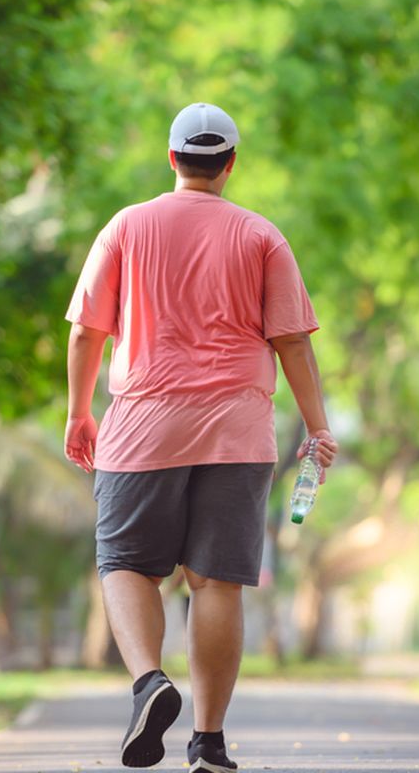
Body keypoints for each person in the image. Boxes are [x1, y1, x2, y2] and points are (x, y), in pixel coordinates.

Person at [64, 102, 337, 772]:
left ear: (172, 158)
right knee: (216, 584)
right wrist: (319, 425)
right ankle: (209, 742)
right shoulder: (260, 235)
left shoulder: (127, 226)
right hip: (238, 431)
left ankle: (149, 682)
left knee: (126, 562)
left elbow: (85, 331)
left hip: (143, 426)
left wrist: (78, 412)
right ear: (230, 164)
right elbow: (292, 341)